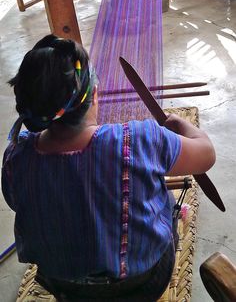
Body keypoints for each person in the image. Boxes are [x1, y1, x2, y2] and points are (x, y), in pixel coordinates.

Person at [1, 34, 216, 302]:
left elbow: (15, 201)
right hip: (143, 283)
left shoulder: (15, 157)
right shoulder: (138, 141)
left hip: (65, 287)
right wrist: (181, 125)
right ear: (93, 96)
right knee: (162, 195)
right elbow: (206, 155)